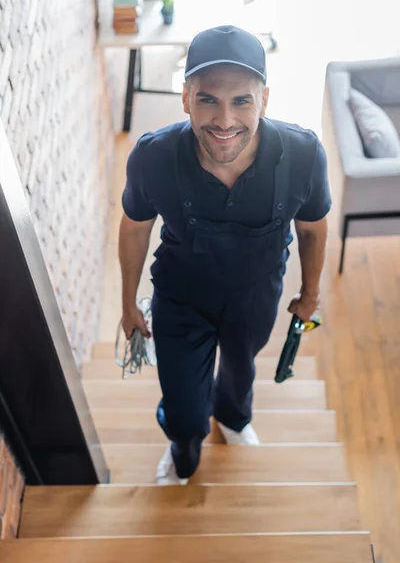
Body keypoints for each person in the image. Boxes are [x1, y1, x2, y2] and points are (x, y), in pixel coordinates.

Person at [119, 25, 331, 485]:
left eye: (242, 101)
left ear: (265, 99)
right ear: (185, 98)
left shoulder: (303, 154)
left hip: (256, 296)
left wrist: (310, 292)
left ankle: (233, 420)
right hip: (180, 298)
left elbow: (312, 226)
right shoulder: (152, 157)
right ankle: (185, 446)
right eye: (208, 99)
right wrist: (127, 300)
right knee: (182, 404)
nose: (224, 120)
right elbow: (135, 226)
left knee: (240, 368)